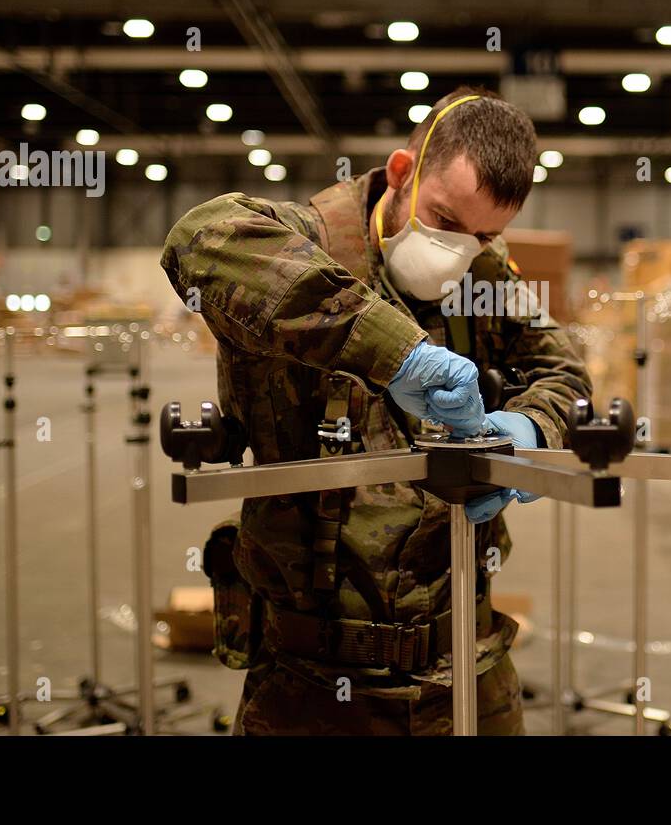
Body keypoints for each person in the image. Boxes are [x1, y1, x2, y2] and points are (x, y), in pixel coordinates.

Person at [161, 86, 591, 734]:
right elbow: (198, 238)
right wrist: (402, 355)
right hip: (310, 675)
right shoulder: (305, 240)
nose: (461, 248)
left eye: (485, 233)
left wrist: (529, 428)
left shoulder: (485, 276)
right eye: (446, 220)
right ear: (400, 173)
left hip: (463, 662)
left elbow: (566, 375)